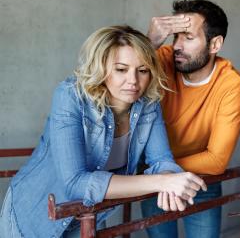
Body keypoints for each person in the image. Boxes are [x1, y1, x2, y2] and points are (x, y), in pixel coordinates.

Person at [0, 25, 206, 238]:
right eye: (121, 69)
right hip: (34, 211)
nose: (133, 81)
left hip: (87, 215)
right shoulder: (70, 96)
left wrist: (170, 178)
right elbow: (75, 183)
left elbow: (162, 159)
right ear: (102, 67)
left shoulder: (149, 104)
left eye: (143, 70)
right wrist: (162, 182)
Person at [141, 0, 240, 238]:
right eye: (175, 37)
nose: (177, 46)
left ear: (215, 44)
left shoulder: (231, 84)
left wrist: (162, 172)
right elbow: (117, 74)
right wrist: (150, 41)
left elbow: (216, 160)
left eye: (188, 38)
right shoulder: (161, 57)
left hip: (198, 180)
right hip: (156, 180)